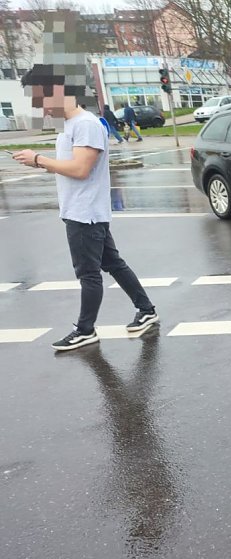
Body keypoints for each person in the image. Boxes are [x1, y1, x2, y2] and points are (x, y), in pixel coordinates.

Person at [13, 66, 159, 351]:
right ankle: (147, 309)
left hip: (85, 214)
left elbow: (80, 169)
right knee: (112, 263)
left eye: (39, 98)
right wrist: (39, 163)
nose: (39, 106)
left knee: (88, 274)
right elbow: (71, 168)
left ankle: (85, 330)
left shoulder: (86, 125)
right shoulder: (70, 126)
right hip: (83, 210)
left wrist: (39, 159)